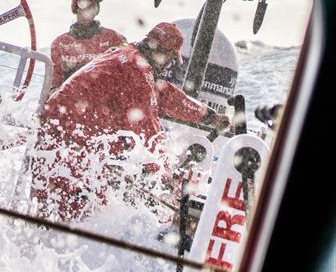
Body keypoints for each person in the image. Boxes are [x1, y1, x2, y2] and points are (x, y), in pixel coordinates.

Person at [31, 22, 230, 222]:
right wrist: (167, 178)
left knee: (57, 217)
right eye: (170, 59)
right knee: (79, 221)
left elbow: (163, 93)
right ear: (162, 53)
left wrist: (206, 115)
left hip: (58, 134)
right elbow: (149, 135)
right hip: (69, 146)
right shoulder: (138, 73)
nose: (168, 64)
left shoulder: (126, 54)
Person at [49, 0, 126, 90]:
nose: (89, 10)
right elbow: (54, 84)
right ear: (76, 8)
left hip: (106, 100)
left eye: (93, 5)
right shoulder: (60, 44)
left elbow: (127, 70)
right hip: (73, 101)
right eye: (84, 4)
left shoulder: (113, 38)